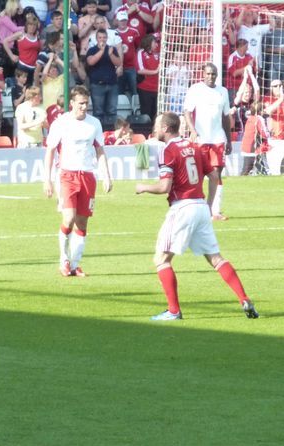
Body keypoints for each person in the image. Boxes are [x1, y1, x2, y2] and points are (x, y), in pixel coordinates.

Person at [135, 111, 259, 321]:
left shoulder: (168, 151)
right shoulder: (195, 147)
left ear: (165, 128)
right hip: (200, 207)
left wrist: (143, 187)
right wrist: (209, 206)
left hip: (182, 207)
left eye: (157, 125)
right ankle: (244, 298)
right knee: (215, 258)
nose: (154, 129)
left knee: (161, 258)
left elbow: (165, 187)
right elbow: (213, 176)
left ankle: (173, 311)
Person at [43, 85, 112, 277]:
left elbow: (99, 150)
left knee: (82, 223)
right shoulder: (61, 123)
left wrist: (106, 175)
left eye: (86, 104)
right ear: (71, 103)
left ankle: (74, 264)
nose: (84, 107)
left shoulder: (94, 123)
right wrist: (47, 180)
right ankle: (63, 260)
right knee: (69, 218)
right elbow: (50, 150)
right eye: (81, 104)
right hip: (66, 175)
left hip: (88, 176)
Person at [183, 63, 231, 221]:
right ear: (203, 74)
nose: (211, 77)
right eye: (208, 74)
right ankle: (196, 208)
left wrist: (229, 140)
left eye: (214, 74)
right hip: (200, 139)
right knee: (198, 175)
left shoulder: (222, 92)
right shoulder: (195, 89)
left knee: (216, 174)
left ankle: (213, 210)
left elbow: (225, 117)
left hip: (218, 138)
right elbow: (187, 112)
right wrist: (192, 130)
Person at [85, 28, 121, 132]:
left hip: (112, 84)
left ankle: (112, 133)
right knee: (98, 112)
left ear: (107, 38)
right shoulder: (92, 50)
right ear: (96, 39)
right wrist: (101, 51)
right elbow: (91, 62)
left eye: (104, 37)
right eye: (100, 37)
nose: (102, 39)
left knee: (112, 111)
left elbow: (118, 63)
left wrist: (110, 54)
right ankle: (98, 133)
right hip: (97, 85)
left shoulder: (112, 49)